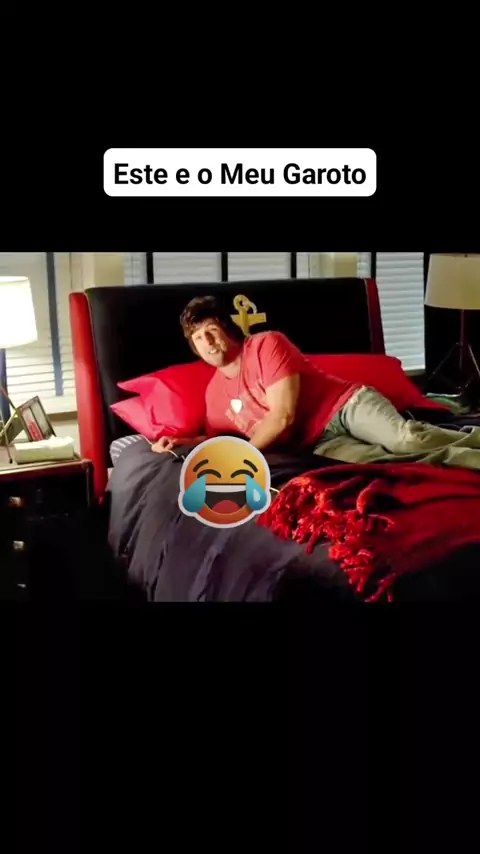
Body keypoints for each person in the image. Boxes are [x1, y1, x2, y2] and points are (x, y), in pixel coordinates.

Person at [151, 295, 480, 468]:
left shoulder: (266, 344)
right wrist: (181, 442)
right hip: (318, 443)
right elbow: (218, 439)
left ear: (228, 329)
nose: (208, 342)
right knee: (385, 463)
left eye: (211, 331)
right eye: (198, 338)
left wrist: (242, 455)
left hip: (346, 406)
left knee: (405, 441)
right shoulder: (213, 394)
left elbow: (283, 416)